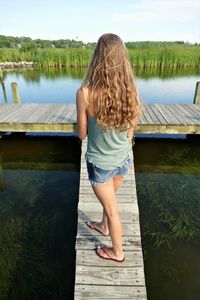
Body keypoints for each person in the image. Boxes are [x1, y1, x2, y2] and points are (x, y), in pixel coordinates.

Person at [76, 33, 141, 262]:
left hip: (101, 164)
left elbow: (82, 134)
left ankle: (118, 252)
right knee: (110, 201)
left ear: (97, 58)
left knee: (113, 209)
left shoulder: (85, 93)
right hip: (123, 160)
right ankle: (103, 226)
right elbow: (131, 130)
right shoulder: (130, 89)